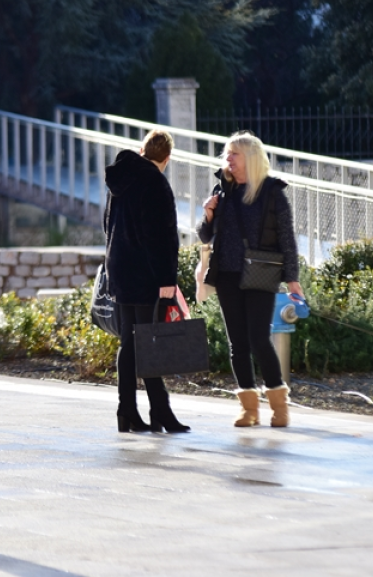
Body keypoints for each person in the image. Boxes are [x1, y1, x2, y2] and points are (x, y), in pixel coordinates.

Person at [197, 132, 302, 428]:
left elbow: (287, 240)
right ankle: (249, 409)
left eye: (234, 154)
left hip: (261, 274)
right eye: (226, 155)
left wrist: (292, 279)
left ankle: (279, 407)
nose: (227, 160)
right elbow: (205, 236)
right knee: (237, 343)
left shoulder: (272, 193)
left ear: (251, 158)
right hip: (227, 275)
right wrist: (207, 215)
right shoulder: (223, 191)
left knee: (258, 339)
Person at [103, 129, 190, 433]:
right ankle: (160, 412)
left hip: (120, 268)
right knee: (148, 341)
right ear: (166, 158)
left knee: (130, 342)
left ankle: (127, 411)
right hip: (146, 274)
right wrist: (167, 278)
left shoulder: (119, 178)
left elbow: (106, 225)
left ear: (143, 150)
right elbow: (159, 237)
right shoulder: (155, 182)